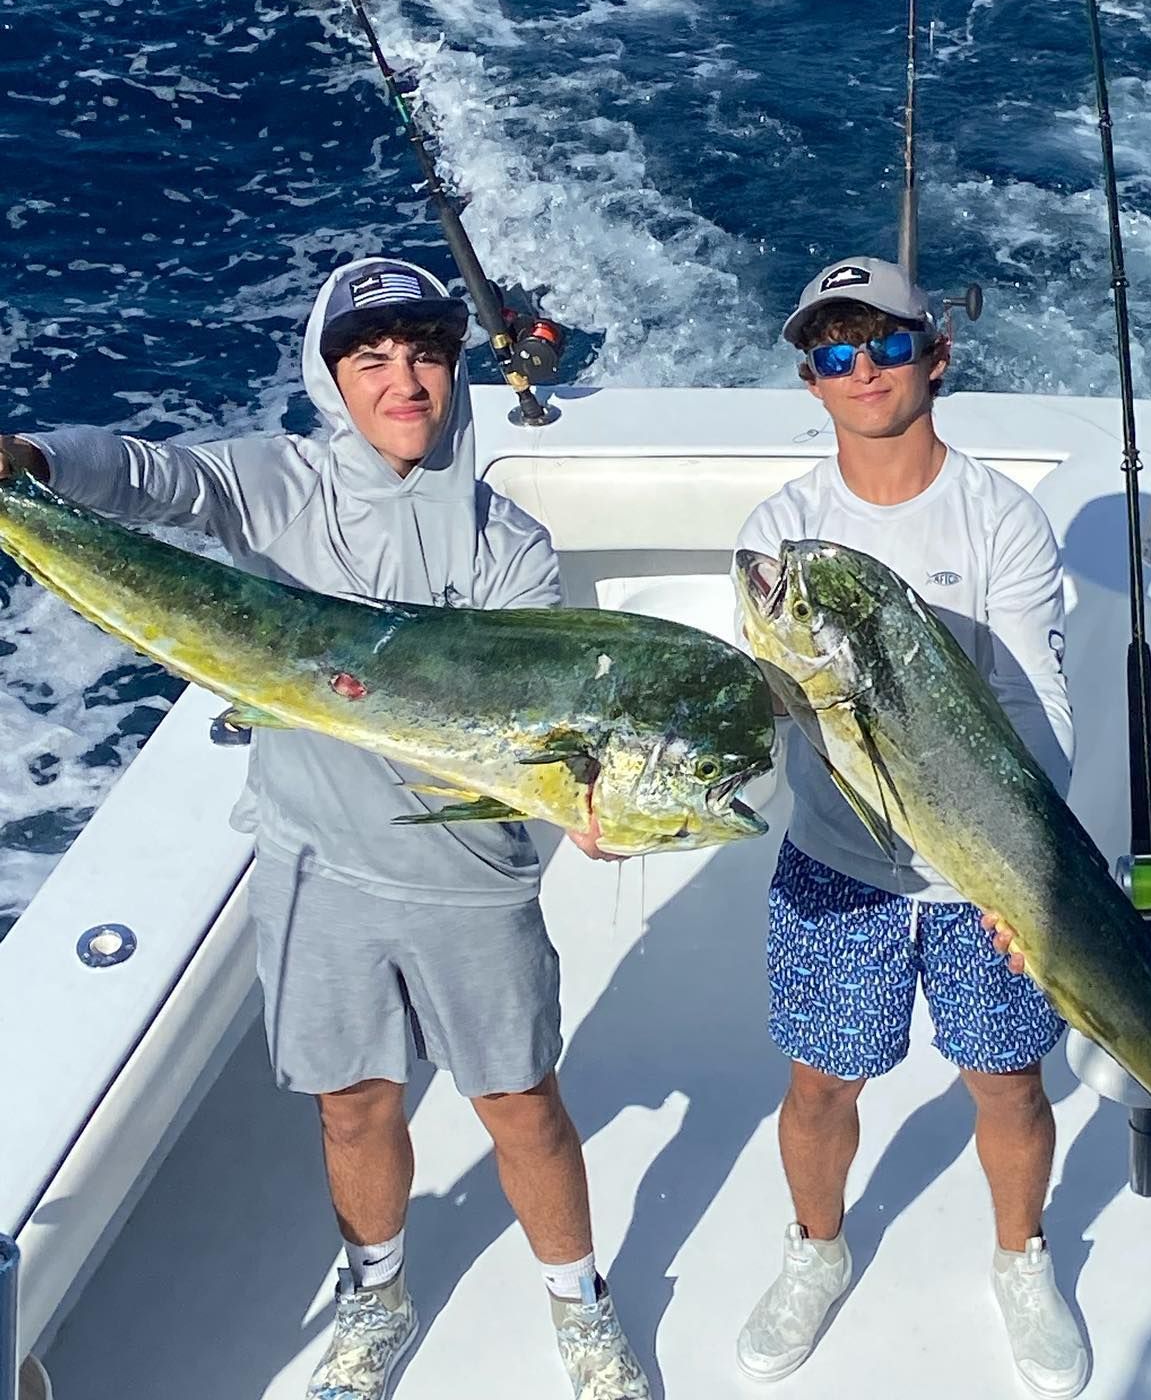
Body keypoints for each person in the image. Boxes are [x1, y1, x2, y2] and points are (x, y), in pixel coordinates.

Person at [0, 257, 648, 1400]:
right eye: (372, 359)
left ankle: (580, 1303)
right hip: (317, 868)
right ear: (330, 379)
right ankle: (377, 1297)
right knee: (353, 1107)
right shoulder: (276, 486)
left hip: (468, 880)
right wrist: (34, 465)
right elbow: (152, 477)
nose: (405, 382)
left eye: (426, 355)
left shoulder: (511, 547)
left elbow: (542, 724)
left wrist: (589, 803)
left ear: (454, 373)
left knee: (523, 1108)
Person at [732, 257, 1089, 1398]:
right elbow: (766, 700)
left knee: (1009, 1083)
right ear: (812, 382)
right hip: (836, 860)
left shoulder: (1000, 520)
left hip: (981, 879)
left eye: (886, 342)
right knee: (821, 1085)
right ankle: (816, 1248)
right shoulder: (785, 532)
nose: (864, 368)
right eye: (835, 353)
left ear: (937, 356)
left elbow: (1038, 709)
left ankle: (1022, 1256)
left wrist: (1013, 868)